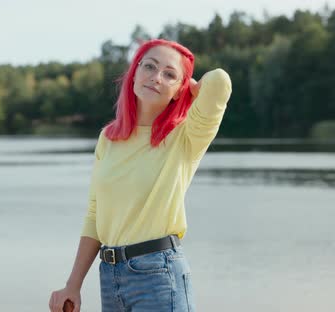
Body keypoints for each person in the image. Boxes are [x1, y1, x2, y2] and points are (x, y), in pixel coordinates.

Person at [49, 38, 232, 312]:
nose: (156, 77)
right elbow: (95, 215)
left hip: (159, 275)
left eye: (169, 74)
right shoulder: (108, 139)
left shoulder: (186, 137)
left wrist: (191, 90)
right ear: (133, 73)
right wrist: (73, 283)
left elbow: (219, 81)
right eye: (149, 67)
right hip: (110, 276)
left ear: (179, 89)